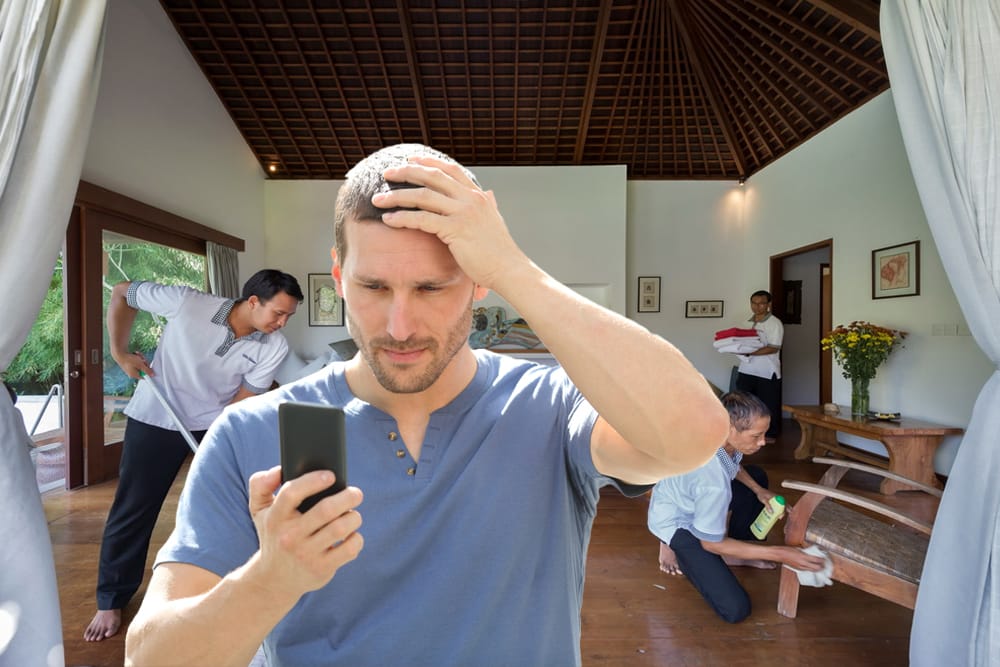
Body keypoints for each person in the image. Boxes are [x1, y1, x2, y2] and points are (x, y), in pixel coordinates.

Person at [123, 143, 730, 667]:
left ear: (477, 279)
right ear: (339, 277)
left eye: (433, 287)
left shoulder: (549, 407)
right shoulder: (249, 432)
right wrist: (270, 581)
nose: (401, 324)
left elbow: (696, 434)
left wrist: (514, 267)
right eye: (373, 286)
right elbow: (151, 657)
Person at [84, 269, 304, 642]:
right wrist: (120, 353)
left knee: (233, 504)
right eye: (278, 313)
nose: (281, 323)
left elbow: (242, 400)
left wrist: (220, 440)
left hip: (212, 422)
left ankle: (236, 584)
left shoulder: (274, 346)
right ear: (253, 302)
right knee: (135, 508)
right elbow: (122, 292)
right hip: (156, 415)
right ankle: (110, 598)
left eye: (288, 317)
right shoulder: (188, 303)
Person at [647, 391, 825, 623]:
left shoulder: (720, 438)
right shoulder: (712, 482)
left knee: (757, 476)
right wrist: (781, 553)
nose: (763, 442)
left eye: (764, 434)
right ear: (729, 428)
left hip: (690, 497)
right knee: (736, 609)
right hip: (678, 522)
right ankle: (675, 547)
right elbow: (710, 542)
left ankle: (734, 553)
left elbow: (733, 466)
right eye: (756, 436)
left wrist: (760, 491)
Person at [735, 290, 783, 440]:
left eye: (761, 303)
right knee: (744, 402)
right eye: (754, 303)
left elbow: (774, 347)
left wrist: (751, 352)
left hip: (767, 371)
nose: (757, 307)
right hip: (746, 368)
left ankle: (770, 434)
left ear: (768, 304)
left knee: (768, 404)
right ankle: (746, 432)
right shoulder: (745, 322)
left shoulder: (774, 323)